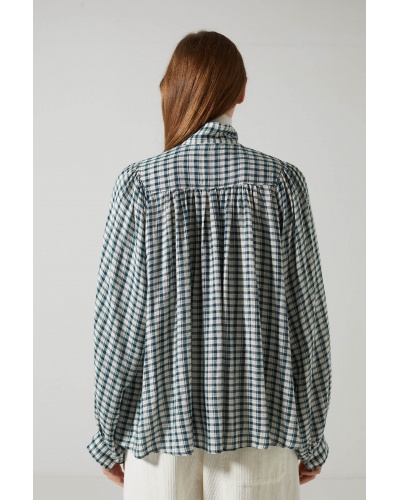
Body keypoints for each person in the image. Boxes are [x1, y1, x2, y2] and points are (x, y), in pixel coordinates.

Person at [86, 30, 332, 499]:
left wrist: (108, 435)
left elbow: (118, 327)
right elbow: (308, 322)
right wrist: (313, 436)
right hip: (264, 431)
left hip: (159, 435)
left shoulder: (140, 184)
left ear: (170, 89)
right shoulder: (282, 183)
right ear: (242, 91)